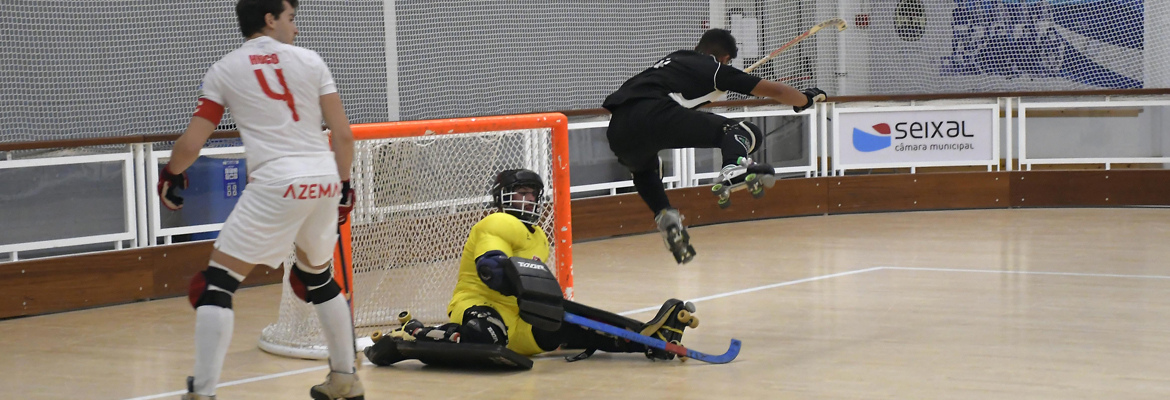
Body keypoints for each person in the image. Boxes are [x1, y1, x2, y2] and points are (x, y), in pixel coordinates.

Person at [157, 1, 362, 398]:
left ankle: (201, 392)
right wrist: (344, 186)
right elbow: (343, 135)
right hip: (323, 179)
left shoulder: (225, 69)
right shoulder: (311, 60)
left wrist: (171, 174)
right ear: (269, 19)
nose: (296, 29)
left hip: (277, 181)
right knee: (319, 279)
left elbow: (191, 144)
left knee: (214, 285)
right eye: (291, 18)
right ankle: (345, 379)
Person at [365, 169, 700, 367]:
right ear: (501, 198)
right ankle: (414, 332)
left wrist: (548, 307)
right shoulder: (496, 221)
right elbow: (491, 269)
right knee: (488, 336)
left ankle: (650, 339)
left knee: (565, 322)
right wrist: (520, 285)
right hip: (480, 306)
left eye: (532, 195)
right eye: (520, 193)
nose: (527, 200)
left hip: (519, 318)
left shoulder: (539, 235)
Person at [602, 28, 828, 264]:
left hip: (619, 127)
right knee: (742, 131)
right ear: (725, 58)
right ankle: (734, 168)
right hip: (658, 113)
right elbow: (778, 91)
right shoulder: (716, 70)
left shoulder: (675, 59)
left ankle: (665, 215)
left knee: (645, 170)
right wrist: (805, 99)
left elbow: (679, 101)